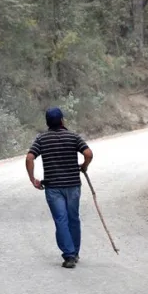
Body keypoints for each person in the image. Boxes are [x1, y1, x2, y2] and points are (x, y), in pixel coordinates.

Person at [26, 107, 94, 268]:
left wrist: (32, 179)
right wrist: (84, 166)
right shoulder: (73, 137)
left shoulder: (42, 139)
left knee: (61, 220)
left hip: (53, 187)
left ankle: (69, 255)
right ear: (62, 120)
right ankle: (75, 252)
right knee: (73, 218)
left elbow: (30, 158)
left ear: (47, 122)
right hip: (73, 185)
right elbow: (89, 153)